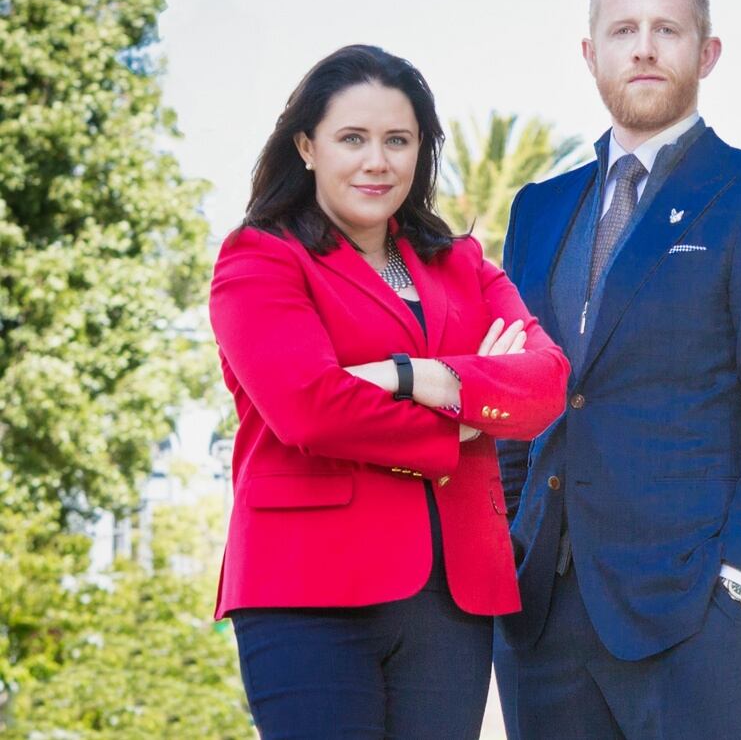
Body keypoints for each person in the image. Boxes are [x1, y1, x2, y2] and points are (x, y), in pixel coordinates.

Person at [493, 0, 741, 740]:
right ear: (591, 54)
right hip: (542, 617)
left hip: (696, 614)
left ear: (706, 52)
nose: (645, 48)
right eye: (623, 30)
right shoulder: (539, 209)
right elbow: (521, 393)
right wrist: (508, 545)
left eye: (668, 30)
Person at [208, 44, 569, 739]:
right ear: (307, 146)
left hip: (451, 593)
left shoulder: (462, 264)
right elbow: (310, 410)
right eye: (353, 138)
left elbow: (545, 384)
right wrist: (466, 419)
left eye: (398, 140)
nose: (377, 161)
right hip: (307, 589)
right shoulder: (261, 258)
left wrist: (416, 376)